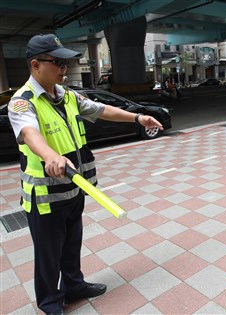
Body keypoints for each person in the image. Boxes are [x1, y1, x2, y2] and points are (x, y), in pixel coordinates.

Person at [7, 34, 163, 315]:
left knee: (71, 245)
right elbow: (29, 133)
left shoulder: (66, 95)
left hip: (74, 189)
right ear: (35, 65)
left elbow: (102, 109)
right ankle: (50, 303)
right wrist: (50, 156)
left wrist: (138, 117)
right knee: (48, 255)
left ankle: (74, 286)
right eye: (57, 63)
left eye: (66, 63)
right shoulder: (22, 102)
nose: (64, 68)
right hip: (45, 196)